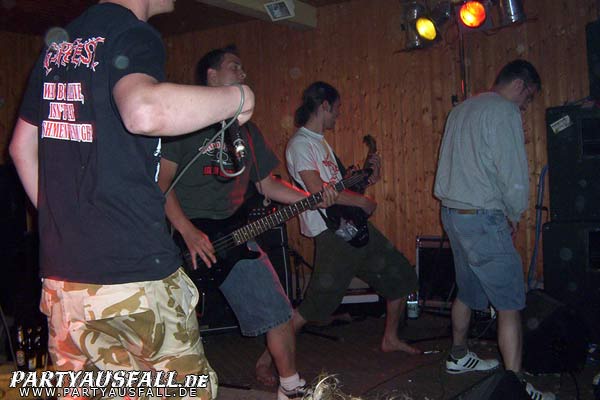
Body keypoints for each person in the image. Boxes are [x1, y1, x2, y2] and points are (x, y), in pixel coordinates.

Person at [9, 1, 255, 399]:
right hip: (134, 276)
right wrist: (238, 97)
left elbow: (22, 148)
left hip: (64, 282)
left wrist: (69, 225)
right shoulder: (131, 33)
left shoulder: (60, 45)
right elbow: (143, 112)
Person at [157, 46, 337, 400]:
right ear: (211, 76)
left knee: (278, 311)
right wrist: (188, 231)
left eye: (243, 68)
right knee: (171, 328)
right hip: (183, 238)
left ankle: (291, 387)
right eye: (234, 67)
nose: (243, 74)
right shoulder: (184, 124)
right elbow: (160, 184)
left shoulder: (248, 132)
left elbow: (266, 184)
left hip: (235, 235)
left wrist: (311, 198)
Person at [254, 81, 422, 381]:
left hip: (353, 228)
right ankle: (266, 361)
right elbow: (318, 192)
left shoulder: (321, 143)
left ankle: (390, 338)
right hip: (332, 234)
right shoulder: (301, 144)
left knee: (401, 275)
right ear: (324, 106)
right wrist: (362, 202)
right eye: (337, 108)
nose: (339, 114)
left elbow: (339, 189)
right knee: (314, 306)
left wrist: (368, 177)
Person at [434, 59, 554, 400]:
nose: (525, 105)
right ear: (520, 85)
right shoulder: (504, 111)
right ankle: (514, 386)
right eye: (528, 97)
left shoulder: (461, 110)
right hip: (482, 217)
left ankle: (458, 355)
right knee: (510, 303)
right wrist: (514, 213)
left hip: (453, 213)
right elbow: (513, 173)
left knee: (467, 289)